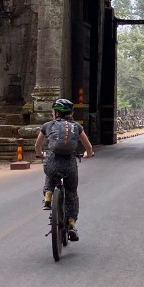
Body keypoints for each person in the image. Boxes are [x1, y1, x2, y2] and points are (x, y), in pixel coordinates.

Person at [34, 97, 93, 241]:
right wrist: (88, 154)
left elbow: (37, 145)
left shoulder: (47, 125)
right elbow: (88, 147)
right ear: (71, 113)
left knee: (50, 172)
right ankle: (71, 224)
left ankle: (48, 196)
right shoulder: (77, 127)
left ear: (55, 113)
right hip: (70, 164)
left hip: (52, 160)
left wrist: (40, 154)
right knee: (71, 193)